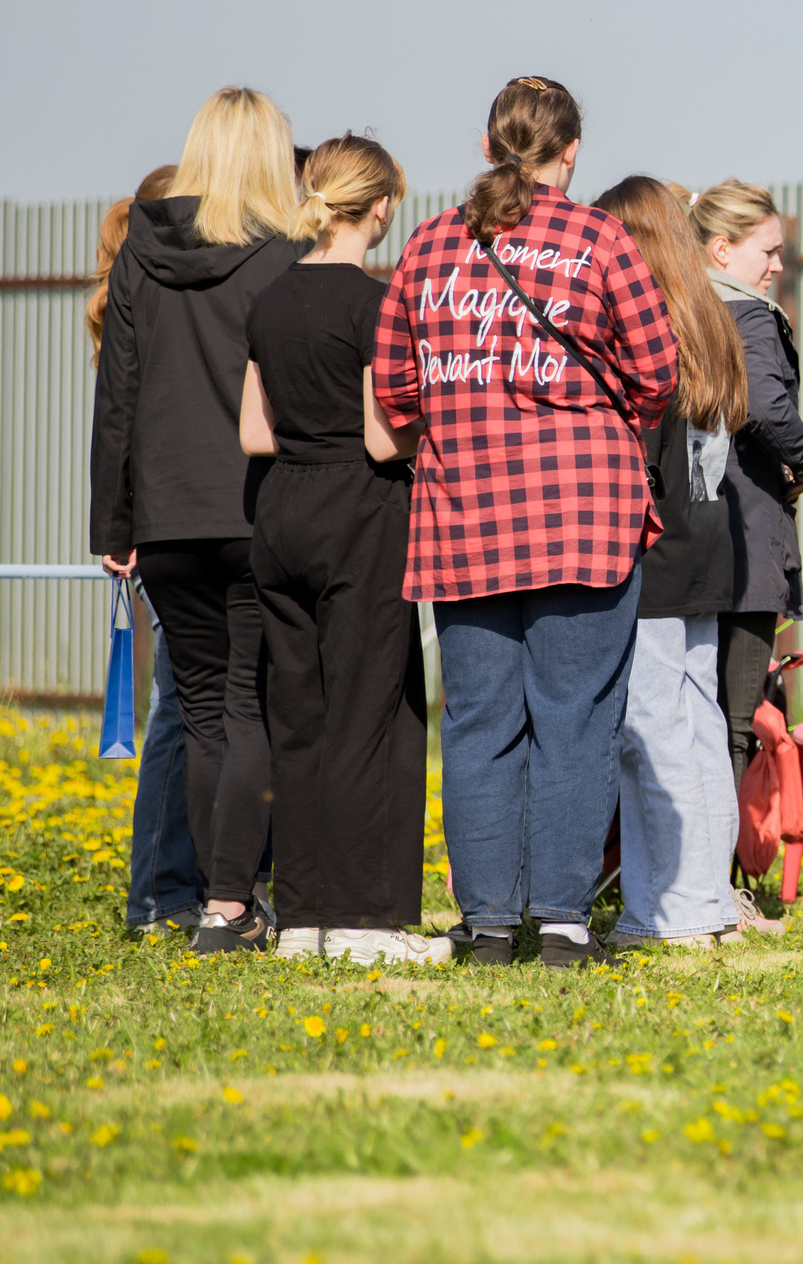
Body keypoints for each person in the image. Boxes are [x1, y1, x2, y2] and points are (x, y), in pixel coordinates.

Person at [374, 77, 679, 968]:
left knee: (477, 724)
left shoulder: (428, 247)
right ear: (571, 151)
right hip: (585, 515)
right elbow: (659, 371)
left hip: (463, 520)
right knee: (576, 722)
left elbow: (395, 388)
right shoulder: (599, 240)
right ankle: (562, 926)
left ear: (485, 146)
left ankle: (487, 926)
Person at [92, 90, 306, 955]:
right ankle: (232, 904)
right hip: (256, 506)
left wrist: (115, 523)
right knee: (251, 707)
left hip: (168, 517)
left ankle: (202, 906)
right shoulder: (286, 253)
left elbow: (120, 395)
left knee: (203, 714)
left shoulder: (139, 249)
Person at [240, 134, 446, 965]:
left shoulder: (268, 299)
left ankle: (301, 917)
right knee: (371, 716)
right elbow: (377, 436)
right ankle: (365, 921)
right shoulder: (376, 304)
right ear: (384, 205)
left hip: (280, 510)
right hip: (358, 514)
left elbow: (254, 433)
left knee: (300, 719)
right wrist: (431, 428)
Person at [595, 176, 748, 952]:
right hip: (708, 545)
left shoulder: (644, 322)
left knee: (649, 728)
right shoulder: (711, 316)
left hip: (654, 549)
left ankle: (673, 909)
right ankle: (708, 900)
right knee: (696, 723)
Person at [93, 165, 206, 941]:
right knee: (179, 704)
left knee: (184, 703)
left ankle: (173, 887)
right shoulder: (163, 287)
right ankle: (161, 893)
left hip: (158, 524)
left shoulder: (140, 291)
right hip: (177, 524)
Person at [689, 183, 803, 826]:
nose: (777, 266)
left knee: (685, 715)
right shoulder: (751, 316)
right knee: (734, 722)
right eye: (767, 251)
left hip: (688, 542)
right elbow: (766, 404)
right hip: (746, 542)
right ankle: (715, 890)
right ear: (721, 249)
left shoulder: (679, 313)